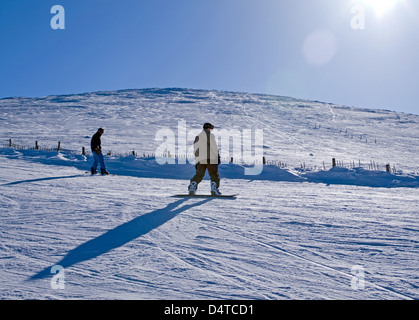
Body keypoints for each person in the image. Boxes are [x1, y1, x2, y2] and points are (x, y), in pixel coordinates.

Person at [188, 123, 221, 195]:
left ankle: (192, 188)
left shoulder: (198, 137)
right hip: (211, 158)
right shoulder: (210, 136)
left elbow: (196, 150)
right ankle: (214, 189)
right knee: (213, 174)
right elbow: (214, 147)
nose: (211, 130)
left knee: (199, 175)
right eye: (211, 128)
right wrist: (217, 157)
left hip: (201, 159)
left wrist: (197, 161)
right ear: (208, 128)